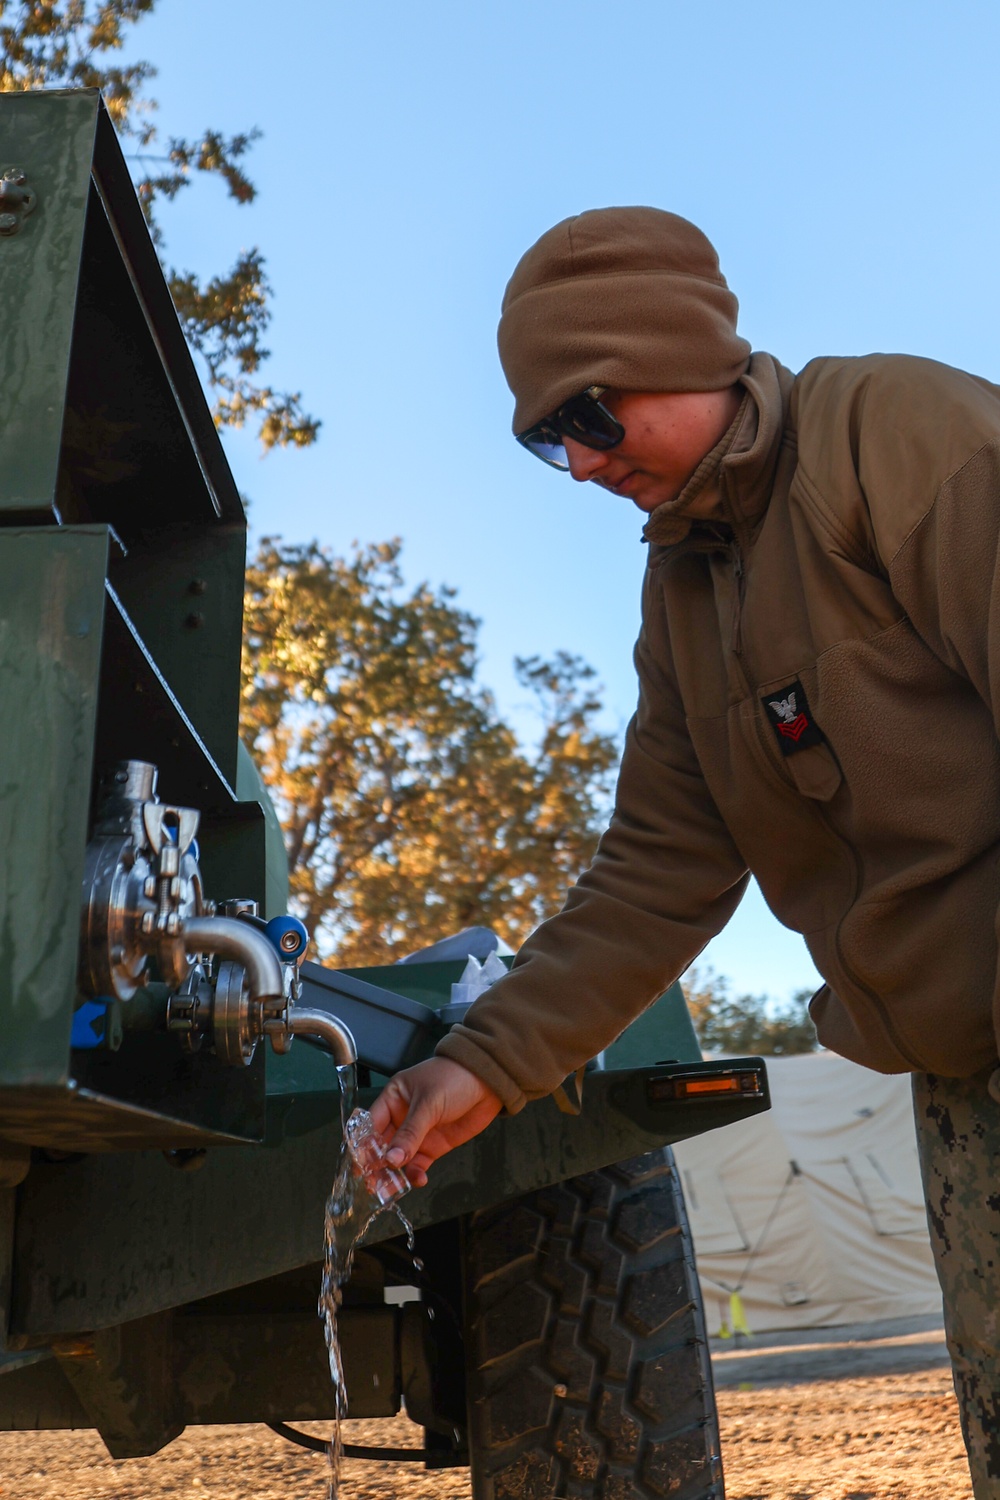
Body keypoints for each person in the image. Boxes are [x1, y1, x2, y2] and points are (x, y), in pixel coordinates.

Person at [371, 205, 1000, 1495]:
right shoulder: (686, 596)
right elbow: (654, 873)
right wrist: (480, 1069)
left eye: (590, 416)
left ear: (678, 348)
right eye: (551, 441)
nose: (583, 464)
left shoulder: (896, 436)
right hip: (963, 1089)